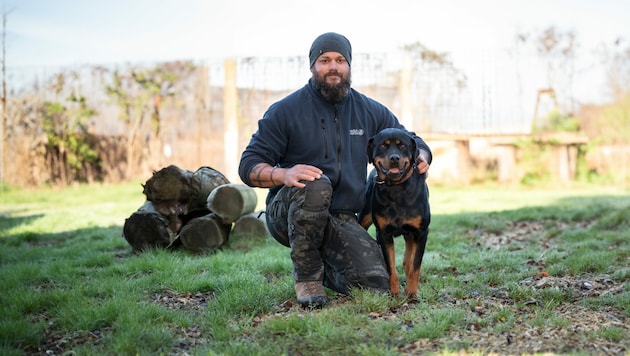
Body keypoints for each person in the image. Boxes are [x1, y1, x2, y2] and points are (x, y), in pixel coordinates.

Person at [238, 32, 432, 308]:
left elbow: (410, 139)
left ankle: (326, 267)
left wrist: (423, 156)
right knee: (317, 183)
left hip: (340, 215)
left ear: (349, 66)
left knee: (375, 283)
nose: (333, 66)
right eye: (325, 60)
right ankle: (307, 277)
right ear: (312, 66)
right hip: (291, 211)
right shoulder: (285, 111)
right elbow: (248, 164)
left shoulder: (370, 111)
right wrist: (283, 174)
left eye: (341, 60)